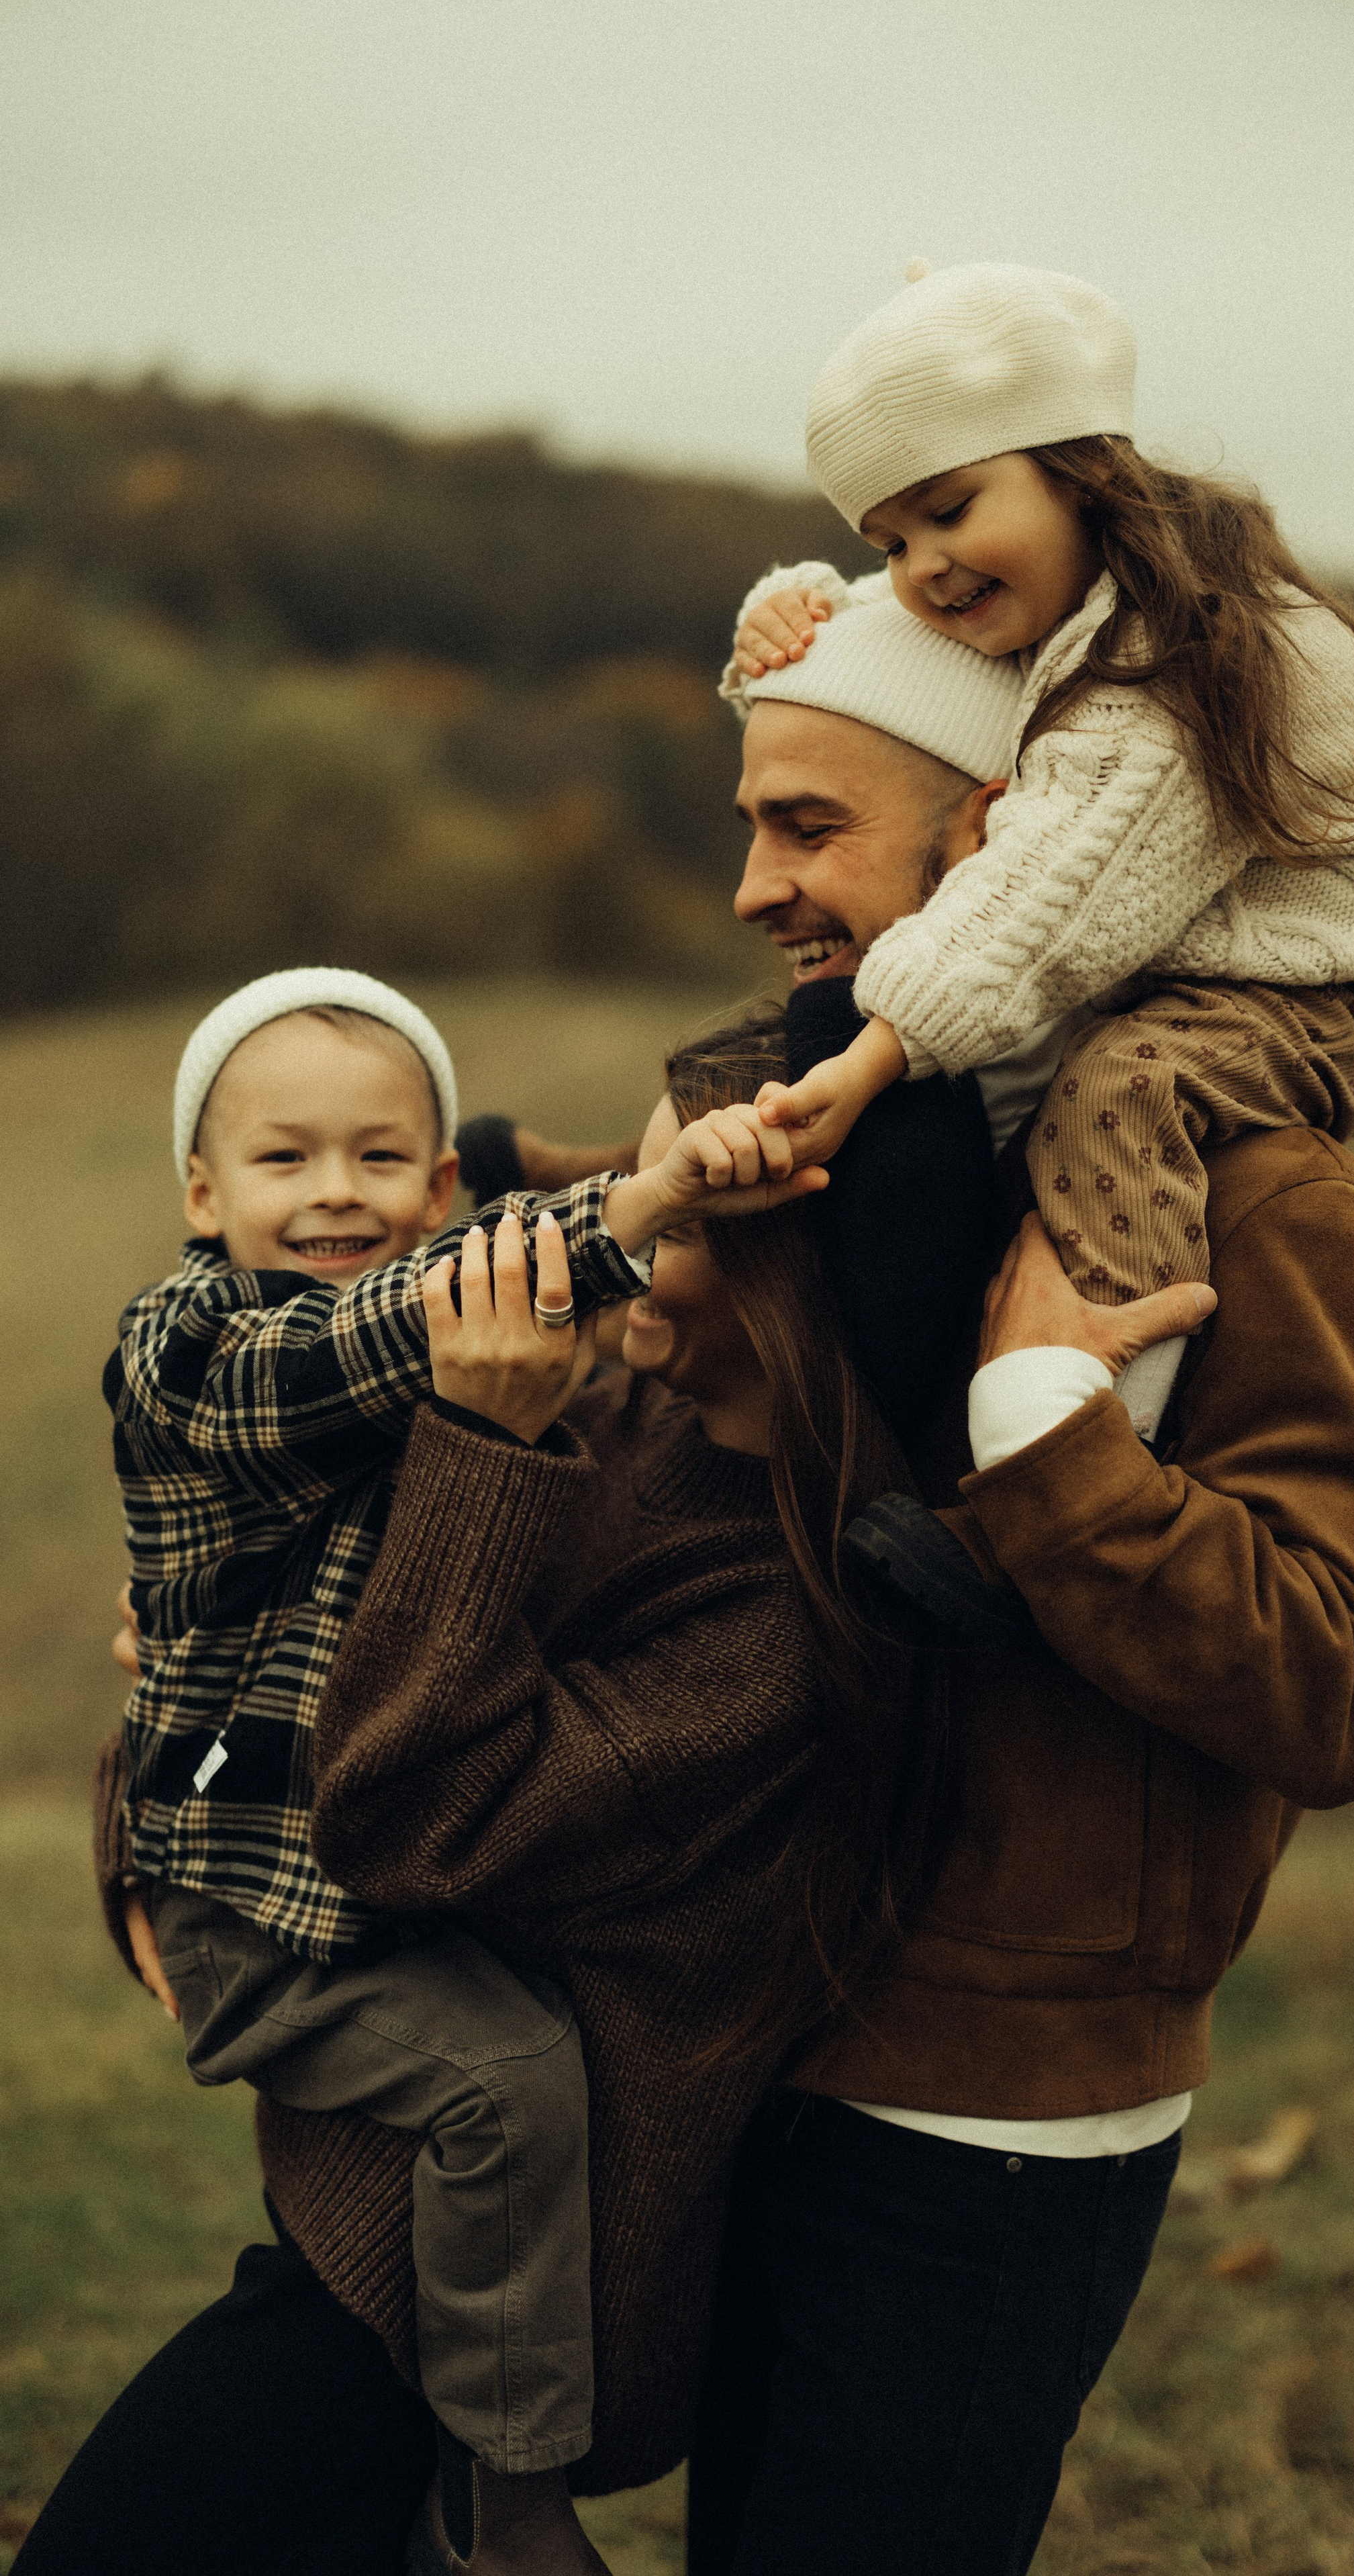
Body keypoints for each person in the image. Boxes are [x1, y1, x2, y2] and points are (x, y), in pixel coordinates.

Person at [461, 599, 1354, 2571]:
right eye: (749, 827)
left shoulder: (1274, 1208)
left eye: (808, 826)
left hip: (998, 2109)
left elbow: (1341, 1687)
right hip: (758, 2030)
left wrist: (1058, 1440)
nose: (752, 887)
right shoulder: (862, 1150)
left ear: (1003, 839)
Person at [93, 968, 825, 2575]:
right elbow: (366, 1343)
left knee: (502, 2077)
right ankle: (508, 2501)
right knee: (500, 2078)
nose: (332, 1193)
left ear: (438, 1189)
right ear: (201, 1196)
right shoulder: (192, 1345)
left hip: (360, 1924)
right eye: (282, 1159)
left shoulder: (593, 1451)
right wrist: (642, 1205)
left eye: (377, 1159)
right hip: (267, 1907)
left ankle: (483, 2499)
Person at [724, 259, 1354, 1447]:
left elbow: (1038, 897)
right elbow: (887, 682)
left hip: (1326, 980)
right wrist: (790, 612)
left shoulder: (1171, 659)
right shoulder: (1068, 600)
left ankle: (1077, 1432)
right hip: (1207, 961)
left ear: (1079, 467)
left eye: (948, 510)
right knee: (1019, 1111)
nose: (921, 567)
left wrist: (873, 1059)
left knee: (1115, 1094)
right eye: (888, 540)